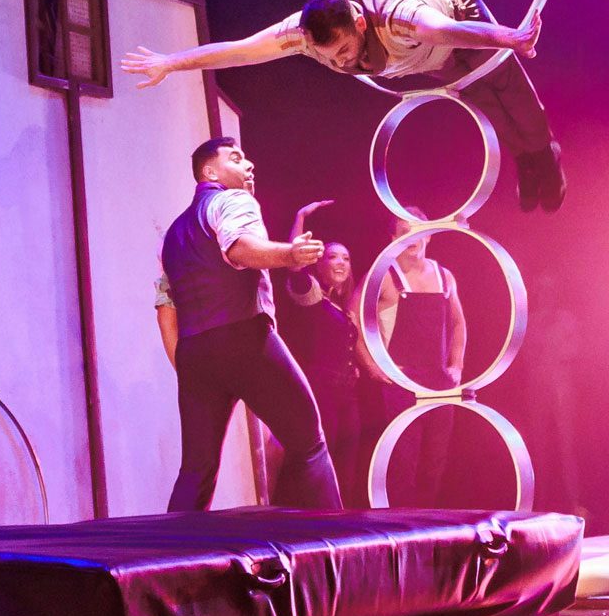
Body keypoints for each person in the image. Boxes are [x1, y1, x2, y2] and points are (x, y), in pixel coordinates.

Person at [121, 0, 566, 212]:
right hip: (428, 60)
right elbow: (239, 52)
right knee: (486, 106)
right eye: (328, 58)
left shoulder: (395, 16)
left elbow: (444, 28)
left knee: (505, 87)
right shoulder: (304, 34)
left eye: (344, 52)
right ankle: (527, 158)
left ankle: (544, 155)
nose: (339, 65)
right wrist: (171, 62)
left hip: (456, 17)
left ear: (358, 24)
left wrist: (509, 37)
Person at [155, 138, 344, 512]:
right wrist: (289, 253)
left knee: (196, 468)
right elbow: (240, 248)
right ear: (209, 172)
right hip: (244, 338)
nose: (249, 165)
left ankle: (169, 560)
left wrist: (187, 368)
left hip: (195, 353)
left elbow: (166, 306)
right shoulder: (232, 200)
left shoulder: (173, 235)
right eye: (236, 159)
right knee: (308, 442)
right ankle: (338, 550)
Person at [280, 200, 372, 508]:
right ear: (320, 264)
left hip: (348, 395)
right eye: (333, 257)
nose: (342, 263)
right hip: (321, 392)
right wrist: (300, 217)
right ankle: (311, 524)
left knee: (346, 467)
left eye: (346, 258)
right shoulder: (311, 298)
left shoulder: (341, 308)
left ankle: (339, 526)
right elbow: (294, 266)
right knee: (322, 463)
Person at [373, 211, 466, 506]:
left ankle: (429, 527)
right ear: (393, 239)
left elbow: (458, 323)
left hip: (439, 381)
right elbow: (354, 316)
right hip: (402, 380)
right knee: (404, 460)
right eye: (403, 231)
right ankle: (405, 529)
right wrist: (374, 367)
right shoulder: (385, 276)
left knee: (435, 461)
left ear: (428, 235)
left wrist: (456, 365)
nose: (410, 237)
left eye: (417, 230)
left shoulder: (444, 275)